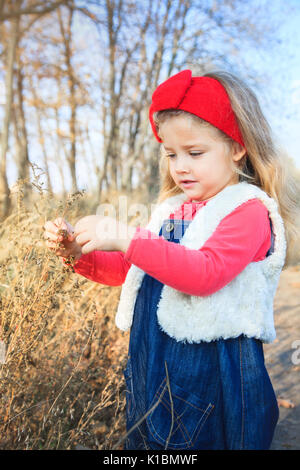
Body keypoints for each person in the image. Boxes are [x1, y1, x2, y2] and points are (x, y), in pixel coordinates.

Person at [44, 69, 296, 450]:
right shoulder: (174, 211)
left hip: (212, 375)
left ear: (237, 148)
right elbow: (137, 271)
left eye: (194, 153)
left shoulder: (247, 211)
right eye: (171, 154)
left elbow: (205, 273)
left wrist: (126, 235)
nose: (180, 166)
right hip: (154, 365)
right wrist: (80, 255)